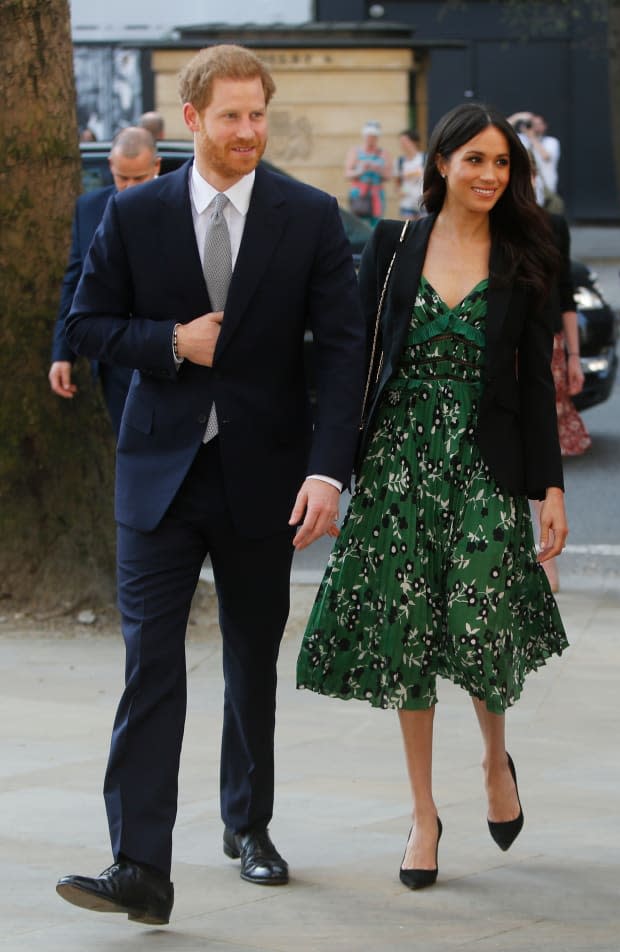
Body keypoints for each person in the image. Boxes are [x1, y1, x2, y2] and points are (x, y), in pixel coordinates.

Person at [56, 44, 365, 925]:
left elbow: (344, 352)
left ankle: (250, 825)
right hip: (157, 472)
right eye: (230, 116)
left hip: (266, 476)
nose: (248, 131)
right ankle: (139, 864)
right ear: (191, 119)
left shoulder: (308, 217)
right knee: (150, 663)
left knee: (251, 660)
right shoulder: (139, 212)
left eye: (258, 113)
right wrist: (169, 344)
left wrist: (326, 470)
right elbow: (86, 321)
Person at [297, 102, 569, 891]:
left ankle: (494, 760)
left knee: (482, 620)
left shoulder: (526, 249)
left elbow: (534, 379)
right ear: (442, 162)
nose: (490, 175)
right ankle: (423, 813)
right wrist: (331, 467)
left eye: (503, 163)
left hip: (485, 460)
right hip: (396, 461)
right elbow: (356, 358)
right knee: (407, 634)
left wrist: (547, 486)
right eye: (476, 159)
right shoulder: (392, 244)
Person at [49, 127, 161, 435]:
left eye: (138, 179)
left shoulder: (178, 207)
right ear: (111, 165)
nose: (129, 188)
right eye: (122, 178)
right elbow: (75, 283)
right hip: (113, 360)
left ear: (156, 167)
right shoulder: (88, 209)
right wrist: (62, 354)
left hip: (166, 354)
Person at [345, 120, 392, 226]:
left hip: (376, 194)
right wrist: (361, 170)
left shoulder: (383, 153)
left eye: (374, 137)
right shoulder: (355, 152)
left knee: (376, 224)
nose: (371, 139)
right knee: (357, 223)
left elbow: (389, 175)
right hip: (359, 194)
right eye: (369, 136)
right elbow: (347, 174)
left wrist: (377, 169)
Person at [394, 129, 425, 219]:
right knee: (408, 229)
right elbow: (397, 181)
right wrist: (399, 190)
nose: (402, 144)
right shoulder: (399, 161)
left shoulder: (424, 158)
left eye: (405, 141)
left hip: (422, 202)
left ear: (414, 142)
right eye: (401, 142)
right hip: (406, 201)